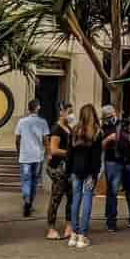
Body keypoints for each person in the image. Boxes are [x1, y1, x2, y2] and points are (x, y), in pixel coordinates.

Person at [101, 104, 130, 232]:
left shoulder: (124, 123)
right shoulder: (102, 129)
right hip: (112, 163)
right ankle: (111, 222)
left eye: (112, 115)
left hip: (128, 162)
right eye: (108, 117)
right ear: (104, 118)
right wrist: (108, 139)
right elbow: (100, 147)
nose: (111, 118)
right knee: (112, 192)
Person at [67, 104, 102, 249]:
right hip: (89, 171)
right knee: (87, 201)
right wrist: (95, 174)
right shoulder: (96, 132)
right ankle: (82, 236)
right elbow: (96, 157)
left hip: (76, 170)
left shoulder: (74, 130)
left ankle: (74, 235)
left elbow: (70, 154)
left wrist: (68, 170)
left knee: (75, 200)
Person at [15, 99, 50, 217]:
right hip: (38, 155)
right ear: (38, 108)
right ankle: (30, 203)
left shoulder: (21, 122)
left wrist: (19, 151)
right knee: (34, 180)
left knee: (26, 179)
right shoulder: (42, 122)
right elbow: (46, 140)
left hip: (25, 155)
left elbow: (18, 139)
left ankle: (27, 200)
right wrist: (48, 153)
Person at [45, 103, 75, 240]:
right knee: (56, 197)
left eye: (72, 112)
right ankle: (51, 228)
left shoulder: (68, 127)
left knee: (71, 196)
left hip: (68, 168)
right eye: (69, 112)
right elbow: (54, 149)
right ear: (61, 112)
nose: (71, 115)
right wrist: (71, 153)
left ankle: (69, 225)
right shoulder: (56, 129)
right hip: (58, 168)